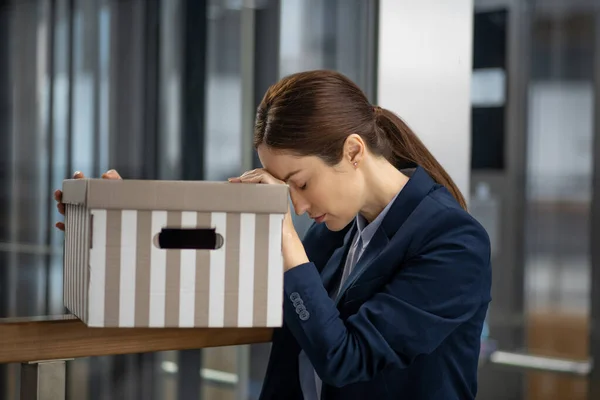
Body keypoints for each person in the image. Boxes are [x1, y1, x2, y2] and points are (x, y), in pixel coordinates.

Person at [54, 70, 491, 399]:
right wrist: (116, 229)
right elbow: (221, 288)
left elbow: (348, 358)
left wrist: (283, 237)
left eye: (299, 183)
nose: (297, 206)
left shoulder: (454, 243)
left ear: (354, 151)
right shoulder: (339, 229)